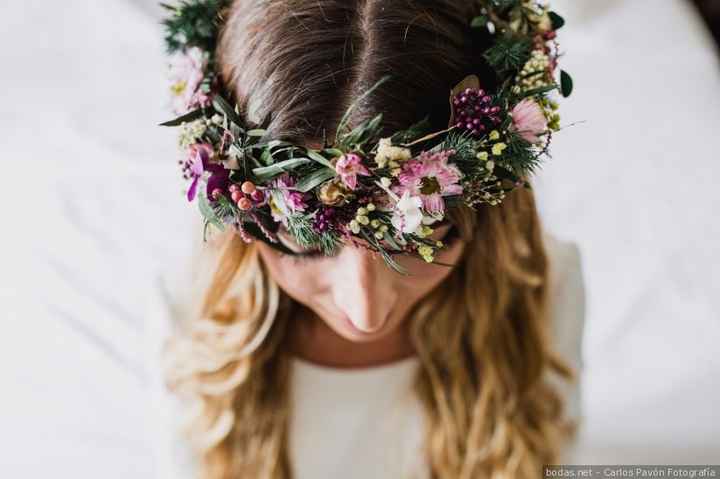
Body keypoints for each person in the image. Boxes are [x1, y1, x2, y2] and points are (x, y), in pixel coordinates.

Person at [151, 0, 586, 477]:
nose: (367, 314)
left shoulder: (541, 290)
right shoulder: (190, 309)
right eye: (306, 242)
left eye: (421, 239)